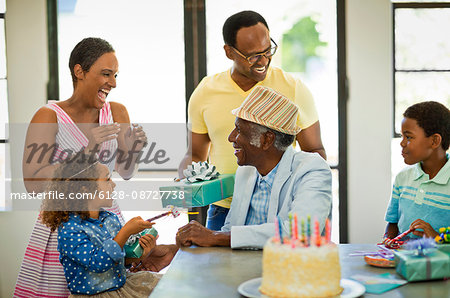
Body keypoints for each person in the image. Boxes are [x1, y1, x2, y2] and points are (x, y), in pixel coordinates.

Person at [14, 37, 148, 297]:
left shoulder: (117, 112)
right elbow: (32, 184)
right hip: (62, 227)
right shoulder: (49, 116)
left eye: (115, 75)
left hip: (106, 223)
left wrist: (134, 150)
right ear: (79, 72)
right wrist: (86, 150)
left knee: (110, 288)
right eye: (106, 74)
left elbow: (126, 171)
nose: (113, 83)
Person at [178, 10, 326, 231]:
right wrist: (184, 184)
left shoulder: (294, 88)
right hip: (225, 209)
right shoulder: (205, 92)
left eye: (268, 51)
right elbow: (196, 154)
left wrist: (298, 194)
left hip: (279, 205)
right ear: (229, 52)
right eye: (253, 55)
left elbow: (315, 152)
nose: (263, 61)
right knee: (217, 264)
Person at [176, 86, 332, 249]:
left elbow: (302, 234)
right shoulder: (246, 171)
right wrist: (180, 249)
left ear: (267, 139)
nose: (231, 138)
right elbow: (229, 231)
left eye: (239, 130)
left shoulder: (312, 169)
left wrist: (214, 236)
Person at [40, 156, 161, 296]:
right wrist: (126, 232)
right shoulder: (70, 230)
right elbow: (98, 263)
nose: (113, 184)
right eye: (107, 179)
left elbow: (116, 260)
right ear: (85, 189)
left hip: (121, 286)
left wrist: (138, 256)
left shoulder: (109, 219)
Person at [384, 101, 450, 241]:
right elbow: (393, 223)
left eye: (408, 137)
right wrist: (387, 241)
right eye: (402, 136)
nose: (402, 143)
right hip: (404, 261)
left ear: (434, 141)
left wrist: (437, 238)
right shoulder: (402, 178)